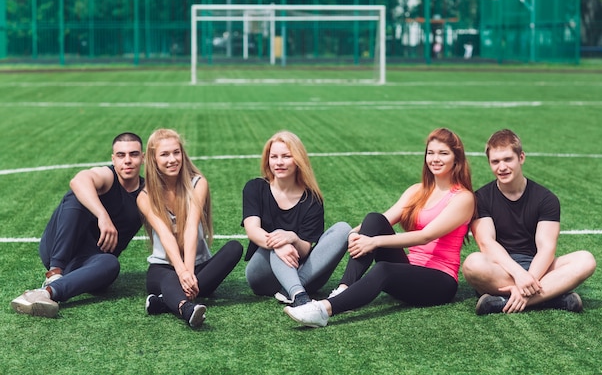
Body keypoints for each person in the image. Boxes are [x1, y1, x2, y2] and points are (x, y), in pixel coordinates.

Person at [284, 128, 475, 327]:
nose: (435, 159)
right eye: (431, 152)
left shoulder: (463, 198)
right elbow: (382, 220)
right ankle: (343, 290)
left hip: (439, 282)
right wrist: (355, 233)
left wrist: (374, 242)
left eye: (443, 153)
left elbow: (426, 236)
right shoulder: (417, 190)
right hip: (410, 269)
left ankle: (323, 310)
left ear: (456, 158)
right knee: (374, 219)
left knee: (384, 269)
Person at [11, 132, 146, 318]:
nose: (128, 160)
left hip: (90, 264)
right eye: (121, 155)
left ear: (143, 158)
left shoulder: (146, 194)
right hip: (58, 250)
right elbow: (79, 180)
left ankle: (47, 293)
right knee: (77, 196)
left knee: (111, 264)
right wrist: (102, 216)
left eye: (134, 154)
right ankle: (54, 273)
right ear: (113, 159)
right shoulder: (108, 176)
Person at [462, 129, 596, 315]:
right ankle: (553, 297)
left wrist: (530, 278)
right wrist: (519, 275)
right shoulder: (481, 198)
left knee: (586, 260)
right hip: (501, 269)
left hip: (539, 268)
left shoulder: (546, 198)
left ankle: (503, 302)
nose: (502, 167)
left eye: (508, 159)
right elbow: (487, 244)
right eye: (495, 161)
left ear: (521, 158)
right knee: (472, 263)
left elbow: (547, 248)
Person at [138, 129, 243, 328]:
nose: (172, 159)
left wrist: (189, 272)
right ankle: (187, 309)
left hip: (199, 268)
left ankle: (162, 301)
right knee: (170, 278)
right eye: (164, 154)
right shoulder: (145, 196)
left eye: (176, 152)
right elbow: (165, 234)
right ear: (153, 159)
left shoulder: (198, 183)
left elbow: (191, 228)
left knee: (234, 248)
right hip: (163, 268)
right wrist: (182, 273)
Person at [242, 130, 351, 307]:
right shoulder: (255, 188)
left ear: (298, 160)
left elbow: (305, 249)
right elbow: (253, 231)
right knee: (278, 235)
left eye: (286, 156)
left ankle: (292, 290)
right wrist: (281, 242)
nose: (279, 162)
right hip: (262, 276)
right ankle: (299, 296)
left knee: (343, 229)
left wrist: (292, 238)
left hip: (306, 275)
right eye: (274, 157)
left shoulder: (312, 199)